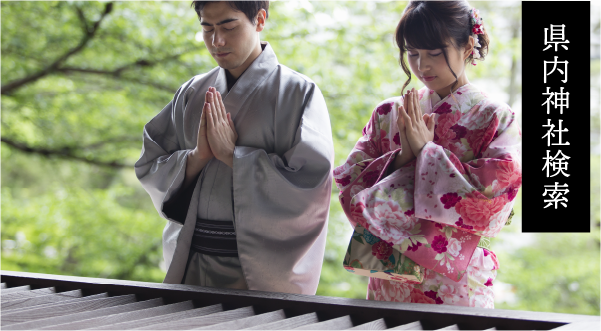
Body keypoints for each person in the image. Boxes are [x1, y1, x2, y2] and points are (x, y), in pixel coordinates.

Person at [135, 0, 333, 295]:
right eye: (207, 28)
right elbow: (150, 163)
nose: (217, 41)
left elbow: (310, 182)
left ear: (260, 19)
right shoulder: (191, 93)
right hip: (191, 261)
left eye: (229, 26)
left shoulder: (298, 93)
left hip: (258, 271)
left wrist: (233, 157)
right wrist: (196, 158)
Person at [333, 0, 521, 307]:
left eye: (435, 53)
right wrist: (403, 159)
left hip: (457, 283)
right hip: (390, 275)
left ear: (468, 46)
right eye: (413, 53)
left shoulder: (495, 118)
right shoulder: (388, 113)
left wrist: (426, 154)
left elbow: (492, 202)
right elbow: (349, 183)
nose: (422, 66)